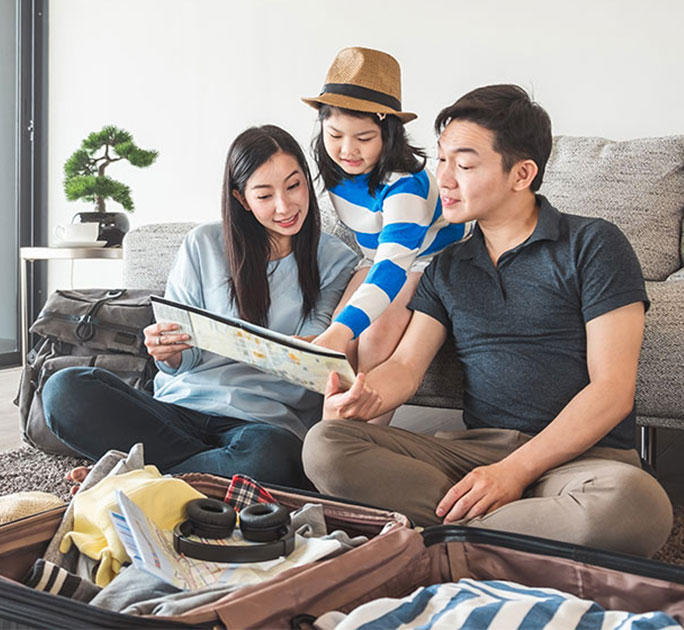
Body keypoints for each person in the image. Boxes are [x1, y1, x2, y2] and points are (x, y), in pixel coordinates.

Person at [301, 85, 673, 556]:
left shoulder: (592, 244)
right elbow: (407, 367)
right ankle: (502, 536)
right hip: (472, 454)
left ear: (522, 173)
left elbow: (612, 392)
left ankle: (446, 538)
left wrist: (513, 473)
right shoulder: (448, 265)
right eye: (440, 161)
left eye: (465, 164)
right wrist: (364, 394)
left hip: (584, 461)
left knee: (637, 504)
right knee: (325, 445)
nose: (444, 179)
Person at [43, 125, 358, 490]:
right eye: (264, 195)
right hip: (179, 411)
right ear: (241, 198)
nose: (285, 207)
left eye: (294, 186)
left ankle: (138, 480)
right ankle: (190, 477)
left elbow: (320, 350)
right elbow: (182, 360)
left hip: (264, 426)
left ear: (307, 181)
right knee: (64, 391)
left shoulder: (336, 261)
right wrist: (168, 352)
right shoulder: (203, 244)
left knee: (271, 459)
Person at [302, 47, 473, 423]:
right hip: (376, 255)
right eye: (335, 135)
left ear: (388, 134)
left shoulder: (406, 185)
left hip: (426, 260)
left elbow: (395, 267)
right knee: (337, 346)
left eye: (364, 138)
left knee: (372, 339)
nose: (348, 150)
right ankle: (328, 438)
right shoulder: (330, 167)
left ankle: (367, 440)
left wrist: (342, 329)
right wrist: (337, 332)